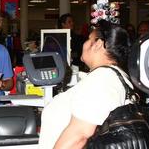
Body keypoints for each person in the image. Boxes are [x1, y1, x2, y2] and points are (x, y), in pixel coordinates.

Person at [38, 20, 132, 149]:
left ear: (98, 44)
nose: (85, 43)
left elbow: (79, 136)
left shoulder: (100, 80)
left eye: (88, 39)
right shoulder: (117, 76)